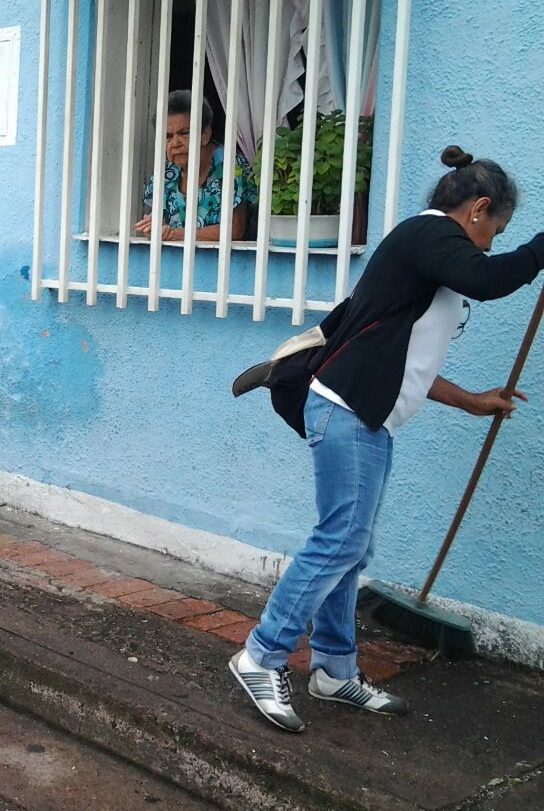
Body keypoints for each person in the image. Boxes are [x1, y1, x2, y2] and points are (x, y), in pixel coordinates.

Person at [231, 146, 544, 734]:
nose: (492, 246)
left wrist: (473, 399)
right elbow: (490, 278)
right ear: (478, 210)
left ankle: (333, 669)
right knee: (339, 541)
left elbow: (409, 364)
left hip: (363, 415)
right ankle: (261, 655)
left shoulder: (427, 257)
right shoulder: (427, 236)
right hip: (347, 411)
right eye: (495, 232)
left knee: (351, 548)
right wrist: (540, 250)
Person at [136, 90, 255, 241]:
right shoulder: (167, 173)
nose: (175, 143)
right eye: (168, 136)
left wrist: (175, 234)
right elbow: (160, 221)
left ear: (205, 134)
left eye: (184, 133)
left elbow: (234, 229)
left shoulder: (231, 167)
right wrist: (153, 227)